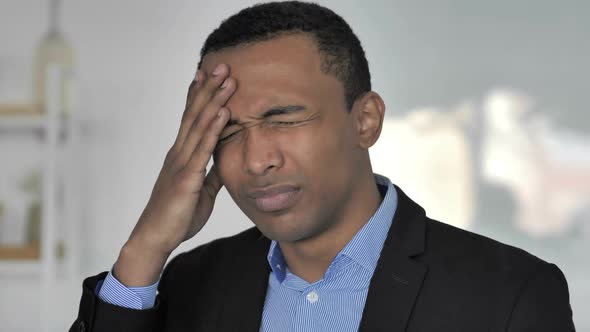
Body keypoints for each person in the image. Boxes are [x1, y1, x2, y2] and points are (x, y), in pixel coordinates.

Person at [70, 2, 575, 331]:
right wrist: (144, 248)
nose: (257, 158)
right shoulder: (187, 284)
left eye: (284, 119)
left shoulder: (510, 295)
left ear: (366, 120)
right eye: (226, 132)